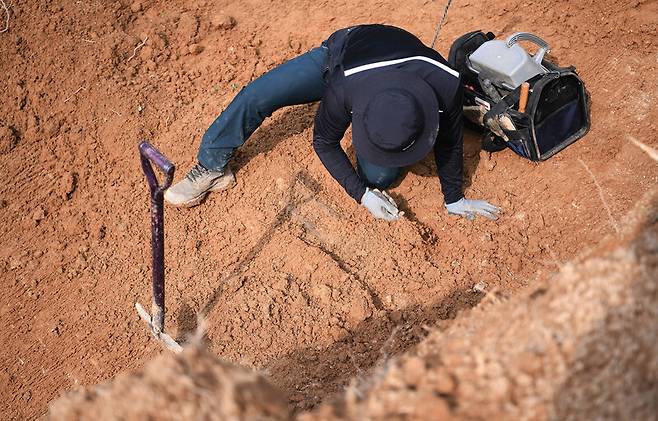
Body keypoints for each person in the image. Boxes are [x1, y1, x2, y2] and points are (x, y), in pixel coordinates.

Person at [164, 24, 501, 221]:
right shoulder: (342, 89)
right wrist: (361, 195)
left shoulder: (447, 84)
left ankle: (379, 161)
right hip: (336, 56)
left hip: (377, 75)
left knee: (380, 175)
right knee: (258, 95)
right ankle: (211, 165)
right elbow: (324, 141)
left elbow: (450, 140)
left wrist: (454, 198)